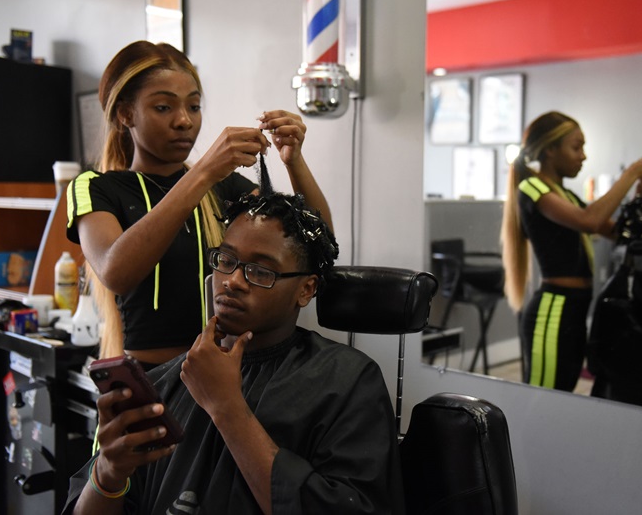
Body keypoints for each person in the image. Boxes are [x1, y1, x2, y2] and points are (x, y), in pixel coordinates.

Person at [63, 192, 405, 515]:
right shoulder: (164, 383)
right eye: (226, 260)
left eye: (260, 270)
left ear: (306, 289)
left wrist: (226, 407)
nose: (233, 281)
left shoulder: (347, 383)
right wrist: (108, 474)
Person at [66, 41, 332, 368]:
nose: (184, 121)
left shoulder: (223, 187)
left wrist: (295, 162)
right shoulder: (96, 188)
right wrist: (204, 171)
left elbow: (317, 244)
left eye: (193, 106)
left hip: (222, 378)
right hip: (151, 384)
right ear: (125, 114)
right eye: (163, 107)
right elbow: (116, 272)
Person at [500, 111, 642, 391]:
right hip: (553, 311)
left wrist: (640, 193)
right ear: (550, 150)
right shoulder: (532, 187)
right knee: (542, 404)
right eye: (576, 147)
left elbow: (616, 232)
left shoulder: (567, 195)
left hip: (574, 311)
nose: (583, 156)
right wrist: (630, 173)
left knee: (563, 397)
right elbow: (589, 220)